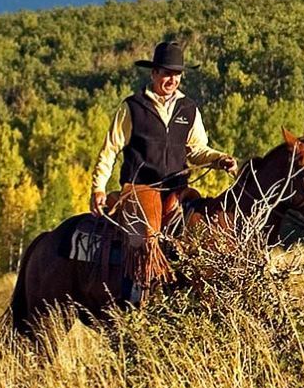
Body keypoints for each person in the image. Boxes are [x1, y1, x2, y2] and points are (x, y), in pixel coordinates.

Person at [89, 40, 237, 299]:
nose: (172, 79)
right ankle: (139, 297)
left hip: (177, 190)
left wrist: (219, 159)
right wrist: (98, 187)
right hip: (140, 188)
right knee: (148, 236)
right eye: (167, 73)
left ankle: (189, 295)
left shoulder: (188, 109)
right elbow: (110, 149)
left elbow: (197, 150)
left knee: (203, 229)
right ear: (154, 73)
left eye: (177, 74)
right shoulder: (133, 106)